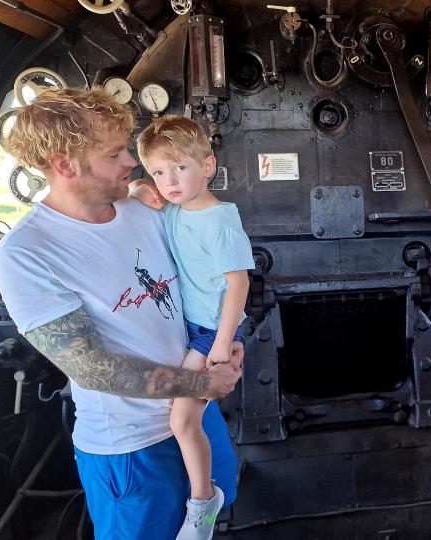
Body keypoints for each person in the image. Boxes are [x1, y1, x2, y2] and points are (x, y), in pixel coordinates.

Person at [0, 88, 242, 540]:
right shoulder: (26, 253)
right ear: (65, 165)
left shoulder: (144, 209)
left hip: (196, 413)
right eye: (114, 154)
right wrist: (205, 382)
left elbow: (206, 278)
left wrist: (221, 341)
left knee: (216, 519)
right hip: (130, 448)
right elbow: (93, 369)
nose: (132, 162)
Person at [130, 116, 255, 540]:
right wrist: (140, 188)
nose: (169, 180)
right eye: (159, 172)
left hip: (210, 330)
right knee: (183, 417)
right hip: (190, 325)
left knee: (183, 420)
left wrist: (222, 342)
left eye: (180, 168)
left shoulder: (219, 221)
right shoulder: (175, 210)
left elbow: (239, 283)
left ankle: (203, 503)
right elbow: (145, 195)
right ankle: (203, 496)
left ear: (208, 166)